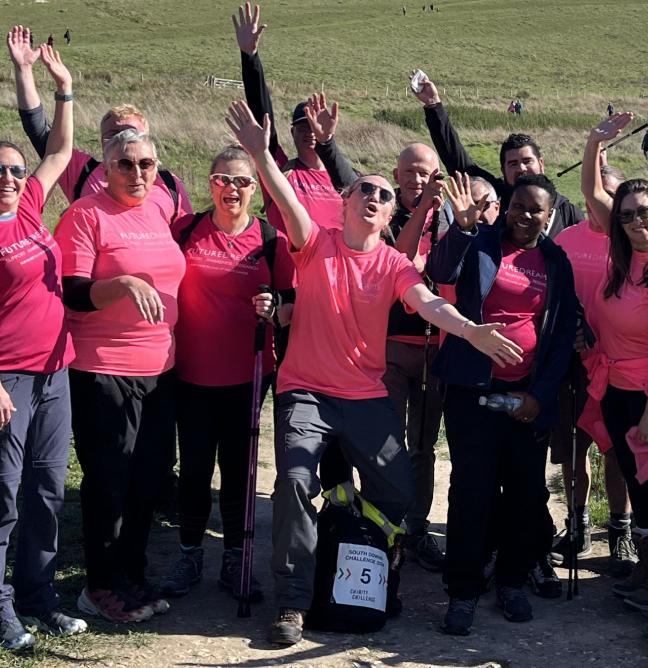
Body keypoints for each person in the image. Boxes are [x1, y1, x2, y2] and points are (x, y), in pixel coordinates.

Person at [222, 100, 523, 647]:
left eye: (385, 196)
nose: (377, 197)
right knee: (291, 481)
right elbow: (286, 199)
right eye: (367, 189)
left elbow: (430, 304)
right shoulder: (315, 245)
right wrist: (261, 153)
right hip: (306, 392)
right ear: (346, 202)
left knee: (399, 493)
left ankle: (354, 540)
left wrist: (471, 331)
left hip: (365, 395)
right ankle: (292, 602)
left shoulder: (393, 263)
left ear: (390, 219)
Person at [0, 43, 88, 651]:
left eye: (13, 170)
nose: (9, 177)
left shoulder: (30, 208)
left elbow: (57, 150)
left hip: (56, 374)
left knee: (47, 489)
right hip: (4, 380)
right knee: (1, 495)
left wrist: (61, 87)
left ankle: (38, 596)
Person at [427, 173, 582, 635]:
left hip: (525, 398)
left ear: (549, 215)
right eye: (518, 205)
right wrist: (462, 227)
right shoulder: (480, 241)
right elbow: (440, 271)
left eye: (535, 209)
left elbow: (557, 340)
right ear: (507, 206)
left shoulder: (556, 260)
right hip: (472, 390)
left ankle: (512, 582)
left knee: (524, 493)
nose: (524, 214)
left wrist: (538, 395)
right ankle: (463, 591)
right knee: (471, 491)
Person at [56, 121, 188, 624]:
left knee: (148, 478)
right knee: (109, 479)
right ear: (106, 169)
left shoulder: (158, 210)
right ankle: (99, 584)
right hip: (102, 368)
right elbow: (71, 290)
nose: (137, 173)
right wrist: (123, 284)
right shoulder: (85, 216)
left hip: (160, 368)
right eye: (125, 164)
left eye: (146, 164)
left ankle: (131, 573)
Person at [158, 141, 296, 602]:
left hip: (247, 375)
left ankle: (236, 557)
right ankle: (191, 553)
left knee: (238, 472)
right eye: (221, 179)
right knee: (195, 470)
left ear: (255, 188)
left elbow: (292, 308)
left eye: (240, 180)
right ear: (210, 184)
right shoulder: (186, 229)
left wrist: (273, 307)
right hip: (190, 374)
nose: (230, 188)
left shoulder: (270, 239)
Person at [577, 127, 648, 610]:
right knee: (634, 477)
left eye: (645, 211)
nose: (635, 221)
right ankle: (646, 568)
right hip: (618, 386)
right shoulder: (623, 252)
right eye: (625, 215)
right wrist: (593, 144)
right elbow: (591, 191)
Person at [376, 141, 458, 573]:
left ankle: (418, 527)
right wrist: (423, 207)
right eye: (408, 171)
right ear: (396, 174)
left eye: (424, 171)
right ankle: (385, 525)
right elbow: (399, 260)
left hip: (433, 348)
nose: (416, 179)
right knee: (386, 442)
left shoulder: (448, 216)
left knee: (422, 447)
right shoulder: (385, 213)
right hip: (390, 345)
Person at [554, 146, 636, 575]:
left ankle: (621, 531)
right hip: (572, 361)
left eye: (609, 196)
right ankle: (578, 522)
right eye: (595, 194)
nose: (597, 203)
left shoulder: (629, 246)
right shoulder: (565, 241)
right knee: (574, 448)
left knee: (618, 450)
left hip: (616, 362)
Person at [12, 24, 194, 216]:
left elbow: (187, 237)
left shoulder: (169, 185)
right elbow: (39, 130)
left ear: (147, 139)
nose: (122, 140)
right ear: (101, 142)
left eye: (131, 133)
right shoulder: (82, 171)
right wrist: (23, 70)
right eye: (113, 135)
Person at [234, 4, 360, 231]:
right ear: (292, 133)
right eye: (302, 128)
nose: (309, 134)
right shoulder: (280, 169)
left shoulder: (348, 178)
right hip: (290, 264)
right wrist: (250, 57)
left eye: (313, 128)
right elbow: (263, 116)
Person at [413, 73, 586, 236]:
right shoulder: (494, 196)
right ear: (503, 170)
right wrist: (433, 105)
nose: (522, 168)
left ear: (541, 163)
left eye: (527, 161)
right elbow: (455, 157)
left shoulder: (567, 212)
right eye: (513, 164)